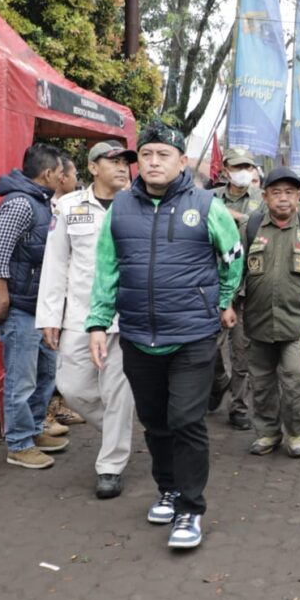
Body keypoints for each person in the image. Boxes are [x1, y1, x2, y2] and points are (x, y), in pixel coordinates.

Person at [86, 121, 243, 550]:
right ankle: (168, 490)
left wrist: (223, 299)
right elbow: (106, 271)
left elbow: (233, 256)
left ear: (182, 162)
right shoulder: (120, 208)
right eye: (147, 154)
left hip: (192, 335)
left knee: (186, 420)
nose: (154, 162)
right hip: (138, 334)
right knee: (154, 422)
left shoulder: (207, 206)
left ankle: (191, 509)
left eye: (164, 155)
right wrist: (98, 323)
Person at [36, 141, 137, 499]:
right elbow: (56, 264)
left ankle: (110, 465)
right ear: (93, 167)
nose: (123, 167)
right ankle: (118, 429)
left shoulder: (139, 205)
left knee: (118, 390)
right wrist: (50, 316)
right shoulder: (68, 207)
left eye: (126, 162)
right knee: (74, 388)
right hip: (79, 315)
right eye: (113, 161)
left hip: (125, 317)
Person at [0, 143, 68, 469]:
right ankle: (18, 444)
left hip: (40, 308)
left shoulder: (42, 203)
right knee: (22, 380)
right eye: (61, 173)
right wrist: (4, 300)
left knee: (46, 373)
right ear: (48, 173)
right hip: (20, 307)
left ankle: (33, 430)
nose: (63, 179)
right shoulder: (21, 204)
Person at [243, 167, 300, 458]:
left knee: (295, 379)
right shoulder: (251, 227)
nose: (283, 199)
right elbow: (236, 270)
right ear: (266, 196)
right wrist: (229, 304)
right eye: (276, 193)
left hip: (296, 321)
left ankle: (296, 432)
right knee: (261, 384)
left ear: (298, 195)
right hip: (257, 320)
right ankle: (268, 432)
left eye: (289, 192)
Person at [211, 147, 263, 430]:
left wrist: (241, 218)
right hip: (213, 284)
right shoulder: (209, 198)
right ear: (226, 169)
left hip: (247, 287)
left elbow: (267, 227)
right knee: (208, 348)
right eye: (238, 166)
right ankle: (219, 382)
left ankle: (239, 408)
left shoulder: (260, 200)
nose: (244, 171)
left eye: (248, 166)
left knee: (241, 353)